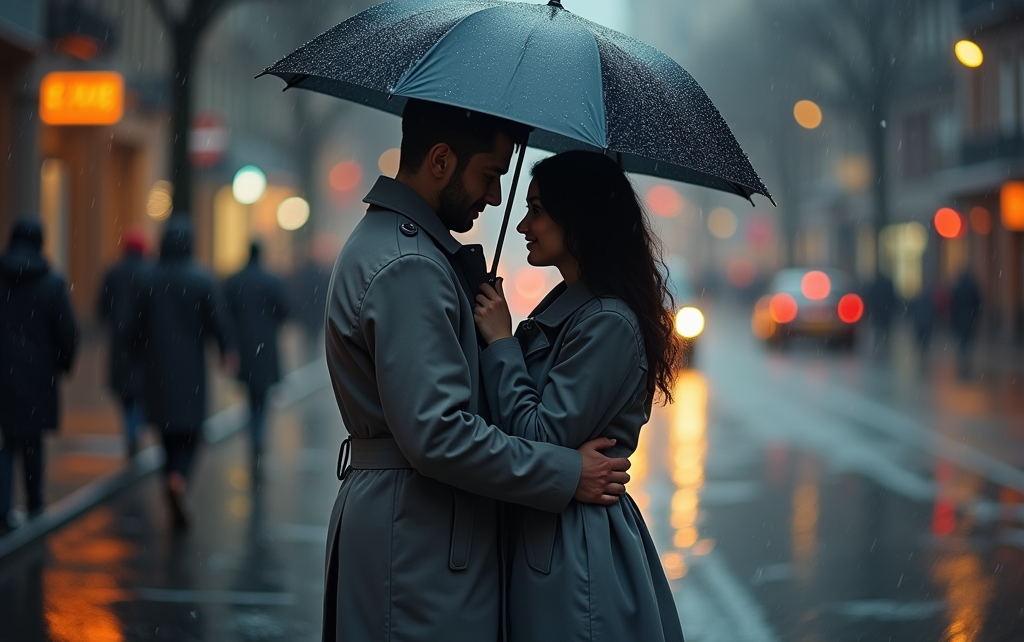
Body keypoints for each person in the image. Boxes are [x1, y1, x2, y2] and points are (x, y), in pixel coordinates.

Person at [322, 99, 631, 642]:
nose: (495, 197)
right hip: (417, 539)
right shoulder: (411, 264)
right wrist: (565, 472)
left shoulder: (406, 250)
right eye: (490, 176)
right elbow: (439, 433)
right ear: (440, 161)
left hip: (413, 529)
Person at [473, 150, 685, 642]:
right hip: (551, 532)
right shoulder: (573, 307)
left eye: (539, 209)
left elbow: (541, 435)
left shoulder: (607, 322)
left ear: (580, 219)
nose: (524, 224)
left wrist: (502, 344)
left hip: (574, 551)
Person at [133, 217, 237, 528]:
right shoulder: (201, 279)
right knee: (190, 432)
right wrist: (226, 350)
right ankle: (179, 478)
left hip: (157, 368)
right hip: (191, 367)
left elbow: (132, 326)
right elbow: (218, 320)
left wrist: (136, 353)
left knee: (166, 431)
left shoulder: (147, 278)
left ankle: (171, 476)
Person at [0, 217, 78, 533]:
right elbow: (67, 332)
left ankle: (2, 510)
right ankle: (34, 502)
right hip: (38, 373)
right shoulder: (52, 284)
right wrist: (64, 363)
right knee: (32, 439)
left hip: (3, 372)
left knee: (7, 440)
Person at [223, 241, 291, 467]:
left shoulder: (234, 281)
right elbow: (285, 310)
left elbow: (224, 313)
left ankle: (254, 437)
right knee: (262, 398)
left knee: (251, 396)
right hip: (266, 345)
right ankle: (259, 438)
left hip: (244, 346)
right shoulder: (272, 280)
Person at [97, 227, 149, 457]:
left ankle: (131, 431)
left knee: (126, 393)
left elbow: (102, 306)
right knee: (141, 390)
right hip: (145, 343)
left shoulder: (114, 272)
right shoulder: (150, 272)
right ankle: (135, 430)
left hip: (121, 340)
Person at [950, 270, 982, 378]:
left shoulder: (957, 288)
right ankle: (966, 358)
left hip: (960, 319)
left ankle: (963, 357)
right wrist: (976, 315)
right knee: (968, 339)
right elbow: (978, 303)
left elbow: (953, 305)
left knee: (962, 340)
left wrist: (954, 319)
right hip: (970, 319)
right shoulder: (973, 287)